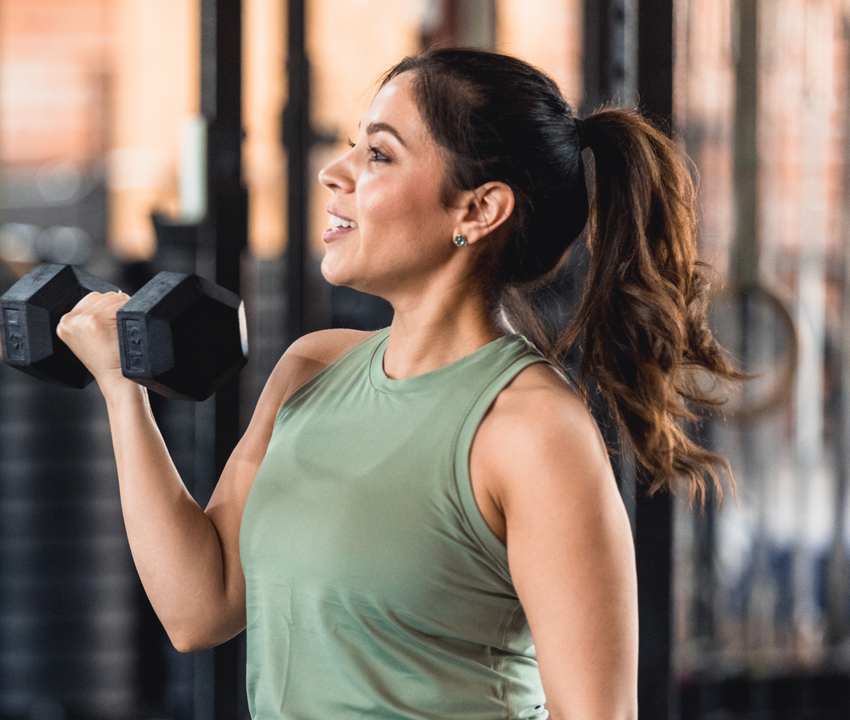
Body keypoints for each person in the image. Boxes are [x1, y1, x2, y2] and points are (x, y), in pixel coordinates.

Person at [58, 48, 740, 720]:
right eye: (354, 148)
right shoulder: (311, 369)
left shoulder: (532, 431)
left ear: (478, 210)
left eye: (378, 155)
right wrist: (123, 392)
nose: (334, 172)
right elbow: (198, 608)